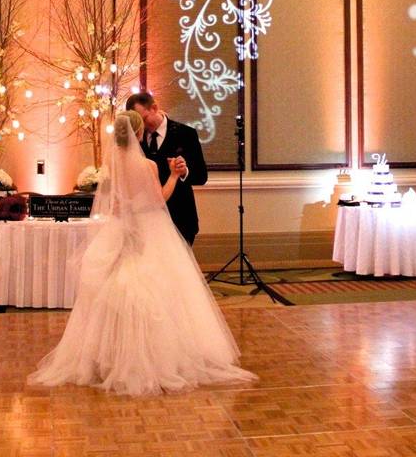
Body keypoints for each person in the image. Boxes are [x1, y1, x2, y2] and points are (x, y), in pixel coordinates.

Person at [28, 111, 255, 395]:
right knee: (161, 292)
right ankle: (155, 358)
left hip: (120, 230)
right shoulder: (146, 165)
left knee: (112, 293)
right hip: (148, 229)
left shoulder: (110, 163)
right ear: (138, 135)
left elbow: (115, 205)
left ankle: (106, 358)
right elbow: (159, 199)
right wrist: (173, 175)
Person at [126, 91, 207, 245]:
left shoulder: (186, 134)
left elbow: (202, 176)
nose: (141, 126)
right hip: (147, 222)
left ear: (154, 108)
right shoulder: (135, 140)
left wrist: (184, 172)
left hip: (181, 218)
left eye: (143, 119)